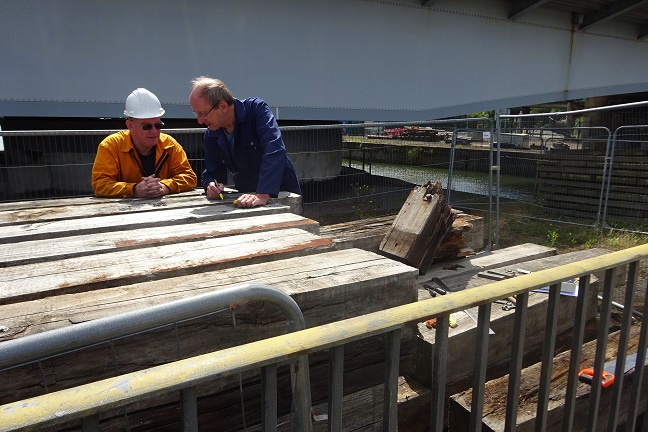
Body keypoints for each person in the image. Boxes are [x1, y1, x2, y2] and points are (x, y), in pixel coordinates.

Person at [189, 76, 301, 208]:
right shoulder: (212, 133)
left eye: (203, 114)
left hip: (280, 191)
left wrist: (263, 194)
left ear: (223, 106)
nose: (199, 121)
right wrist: (211, 184)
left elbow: (274, 149)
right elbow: (213, 171)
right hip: (245, 195)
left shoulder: (256, 109)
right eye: (196, 114)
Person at [92, 88, 197, 198]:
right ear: (130, 126)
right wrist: (134, 189)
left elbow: (189, 177)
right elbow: (100, 184)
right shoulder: (111, 146)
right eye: (147, 126)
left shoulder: (169, 144)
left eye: (158, 125)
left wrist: (165, 187)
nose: (154, 131)